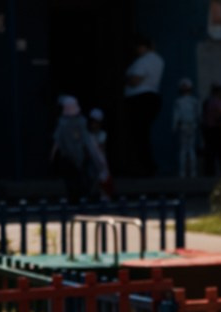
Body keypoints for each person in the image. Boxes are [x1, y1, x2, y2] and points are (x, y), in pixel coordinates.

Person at [121, 35, 165, 179]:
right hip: (150, 98)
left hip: (140, 100)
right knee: (141, 134)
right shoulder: (158, 60)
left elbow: (134, 81)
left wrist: (126, 78)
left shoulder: (144, 61)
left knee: (138, 135)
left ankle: (145, 167)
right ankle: (146, 166)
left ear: (143, 47)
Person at [50, 95, 97, 203]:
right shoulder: (65, 122)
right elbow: (58, 140)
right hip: (69, 156)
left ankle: (79, 197)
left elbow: (86, 140)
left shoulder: (78, 121)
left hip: (76, 155)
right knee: (73, 178)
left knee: (77, 178)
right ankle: (76, 197)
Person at [170, 79, 202, 180]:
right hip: (192, 125)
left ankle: (182, 172)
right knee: (191, 150)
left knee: (184, 150)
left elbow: (176, 116)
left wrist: (174, 127)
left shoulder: (179, 101)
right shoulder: (194, 101)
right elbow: (198, 115)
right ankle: (193, 172)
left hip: (184, 126)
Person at [200, 84, 221, 176]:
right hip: (216, 129)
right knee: (219, 151)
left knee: (210, 151)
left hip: (208, 129)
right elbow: (219, 116)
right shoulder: (218, 102)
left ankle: (210, 171)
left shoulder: (208, 102)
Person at [85, 107, 115, 199]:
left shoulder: (102, 135)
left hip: (100, 162)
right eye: (92, 122)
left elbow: (102, 150)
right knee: (91, 178)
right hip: (90, 162)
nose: (94, 124)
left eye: (96, 122)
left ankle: (103, 196)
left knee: (102, 178)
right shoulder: (87, 135)